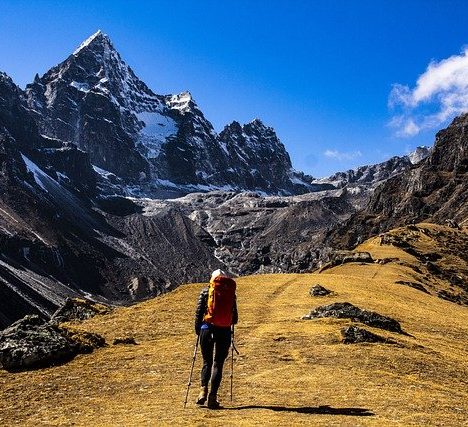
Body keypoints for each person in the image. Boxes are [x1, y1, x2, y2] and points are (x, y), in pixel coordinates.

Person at [194, 269, 238, 409]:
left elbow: (199, 313)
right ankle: (212, 397)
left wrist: (198, 331)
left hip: (206, 329)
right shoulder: (231, 294)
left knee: (207, 361)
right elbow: (235, 318)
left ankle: (203, 391)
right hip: (224, 331)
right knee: (218, 363)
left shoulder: (206, 292)